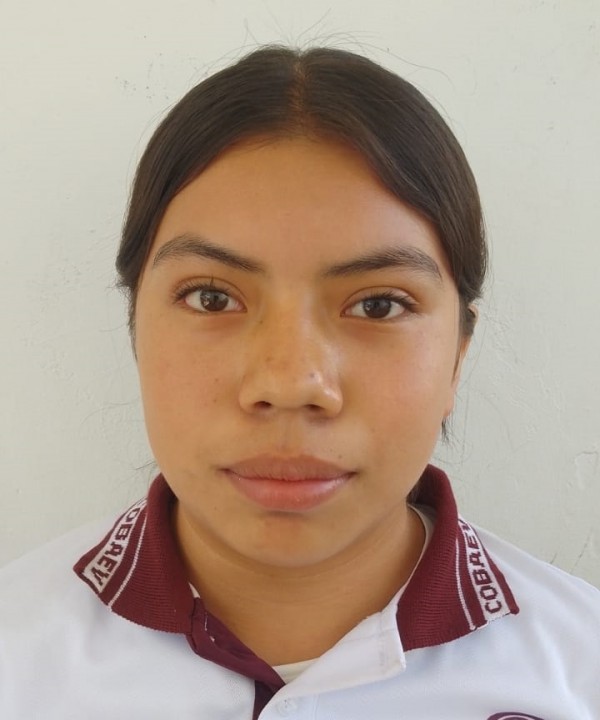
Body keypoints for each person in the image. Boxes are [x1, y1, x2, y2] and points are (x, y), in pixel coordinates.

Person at [0, 46, 598, 720]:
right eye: (211, 298)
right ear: (135, 327)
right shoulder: (16, 659)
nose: (290, 384)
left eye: (378, 305)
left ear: (458, 354)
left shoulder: (582, 672)